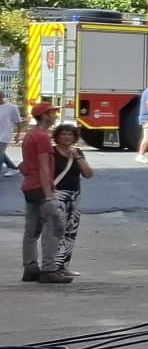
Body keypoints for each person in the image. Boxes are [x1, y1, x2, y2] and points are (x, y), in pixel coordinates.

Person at [19, 101, 69, 284]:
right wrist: (49, 194)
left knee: (31, 230)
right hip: (41, 188)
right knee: (55, 227)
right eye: (53, 113)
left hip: (30, 186)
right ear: (45, 115)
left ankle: (30, 267)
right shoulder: (41, 137)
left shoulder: (31, 135)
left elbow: (24, 164)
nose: (55, 115)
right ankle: (49, 269)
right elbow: (44, 166)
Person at [48, 122, 93, 277]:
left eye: (70, 134)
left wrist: (78, 157)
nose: (66, 137)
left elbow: (88, 174)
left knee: (70, 232)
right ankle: (51, 266)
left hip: (74, 197)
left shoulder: (77, 152)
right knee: (56, 231)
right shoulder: (52, 152)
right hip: (57, 195)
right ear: (57, 136)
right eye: (63, 134)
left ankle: (64, 266)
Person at [0, 89, 19, 177]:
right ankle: (13, 168)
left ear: (2, 97)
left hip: (5, 134)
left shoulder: (11, 107)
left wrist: (18, 135)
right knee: (1, 153)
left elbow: (18, 122)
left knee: (0, 153)